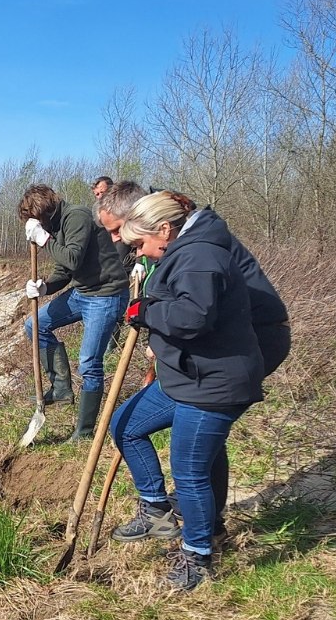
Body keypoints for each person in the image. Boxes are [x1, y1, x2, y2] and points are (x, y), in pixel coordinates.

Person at [98, 184, 289, 530]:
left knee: (198, 449)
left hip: (241, 347)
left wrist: (157, 323)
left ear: (158, 225)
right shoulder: (176, 242)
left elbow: (198, 314)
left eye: (122, 234)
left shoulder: (199, 252)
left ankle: (202, 529)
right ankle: (172, 509)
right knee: (175, 438)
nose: (121, 245)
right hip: (203, 350)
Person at [108, 192, 264, 590]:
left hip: (213, 383)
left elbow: (193, 317)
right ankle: (157, 511)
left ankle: (198, 556)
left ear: (165, 229)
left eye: (141, 245)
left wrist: (144, 312)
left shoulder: (201, 256)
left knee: (190, 471)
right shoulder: (183, 251)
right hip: (186, 375)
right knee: (125, 425)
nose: (141, 253)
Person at [18, 183, 132, 440]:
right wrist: (45, 287)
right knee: (34, 325)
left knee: (89, 364)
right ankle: (60, 389)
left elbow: (72, 258)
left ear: (45, 213)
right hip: (83, 292)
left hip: (107, 293)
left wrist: (43, 238)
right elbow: (65, 271)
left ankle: (84, 432)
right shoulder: (56, 226)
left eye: (37, 221)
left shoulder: (76, 216)